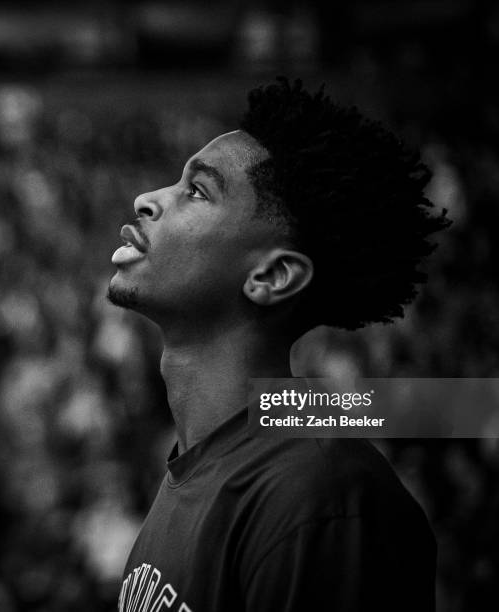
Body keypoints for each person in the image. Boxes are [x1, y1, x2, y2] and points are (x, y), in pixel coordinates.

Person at [108, 78, 449, 612]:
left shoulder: (319, 498)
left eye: (197, 191)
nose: (146, 199)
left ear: (272, 276)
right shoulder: (204, 463)